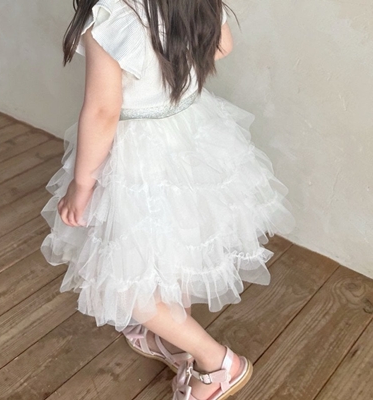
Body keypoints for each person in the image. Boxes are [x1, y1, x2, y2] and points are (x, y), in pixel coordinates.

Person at [40, 0, 295, 399]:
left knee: (123, 283)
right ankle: (173, 339)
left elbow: (104, 111)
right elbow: (222, 46)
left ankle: (218, 364)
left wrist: (83, 185)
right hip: (190, 130)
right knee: (172, 249)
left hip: (140, 154)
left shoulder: (110, 15)